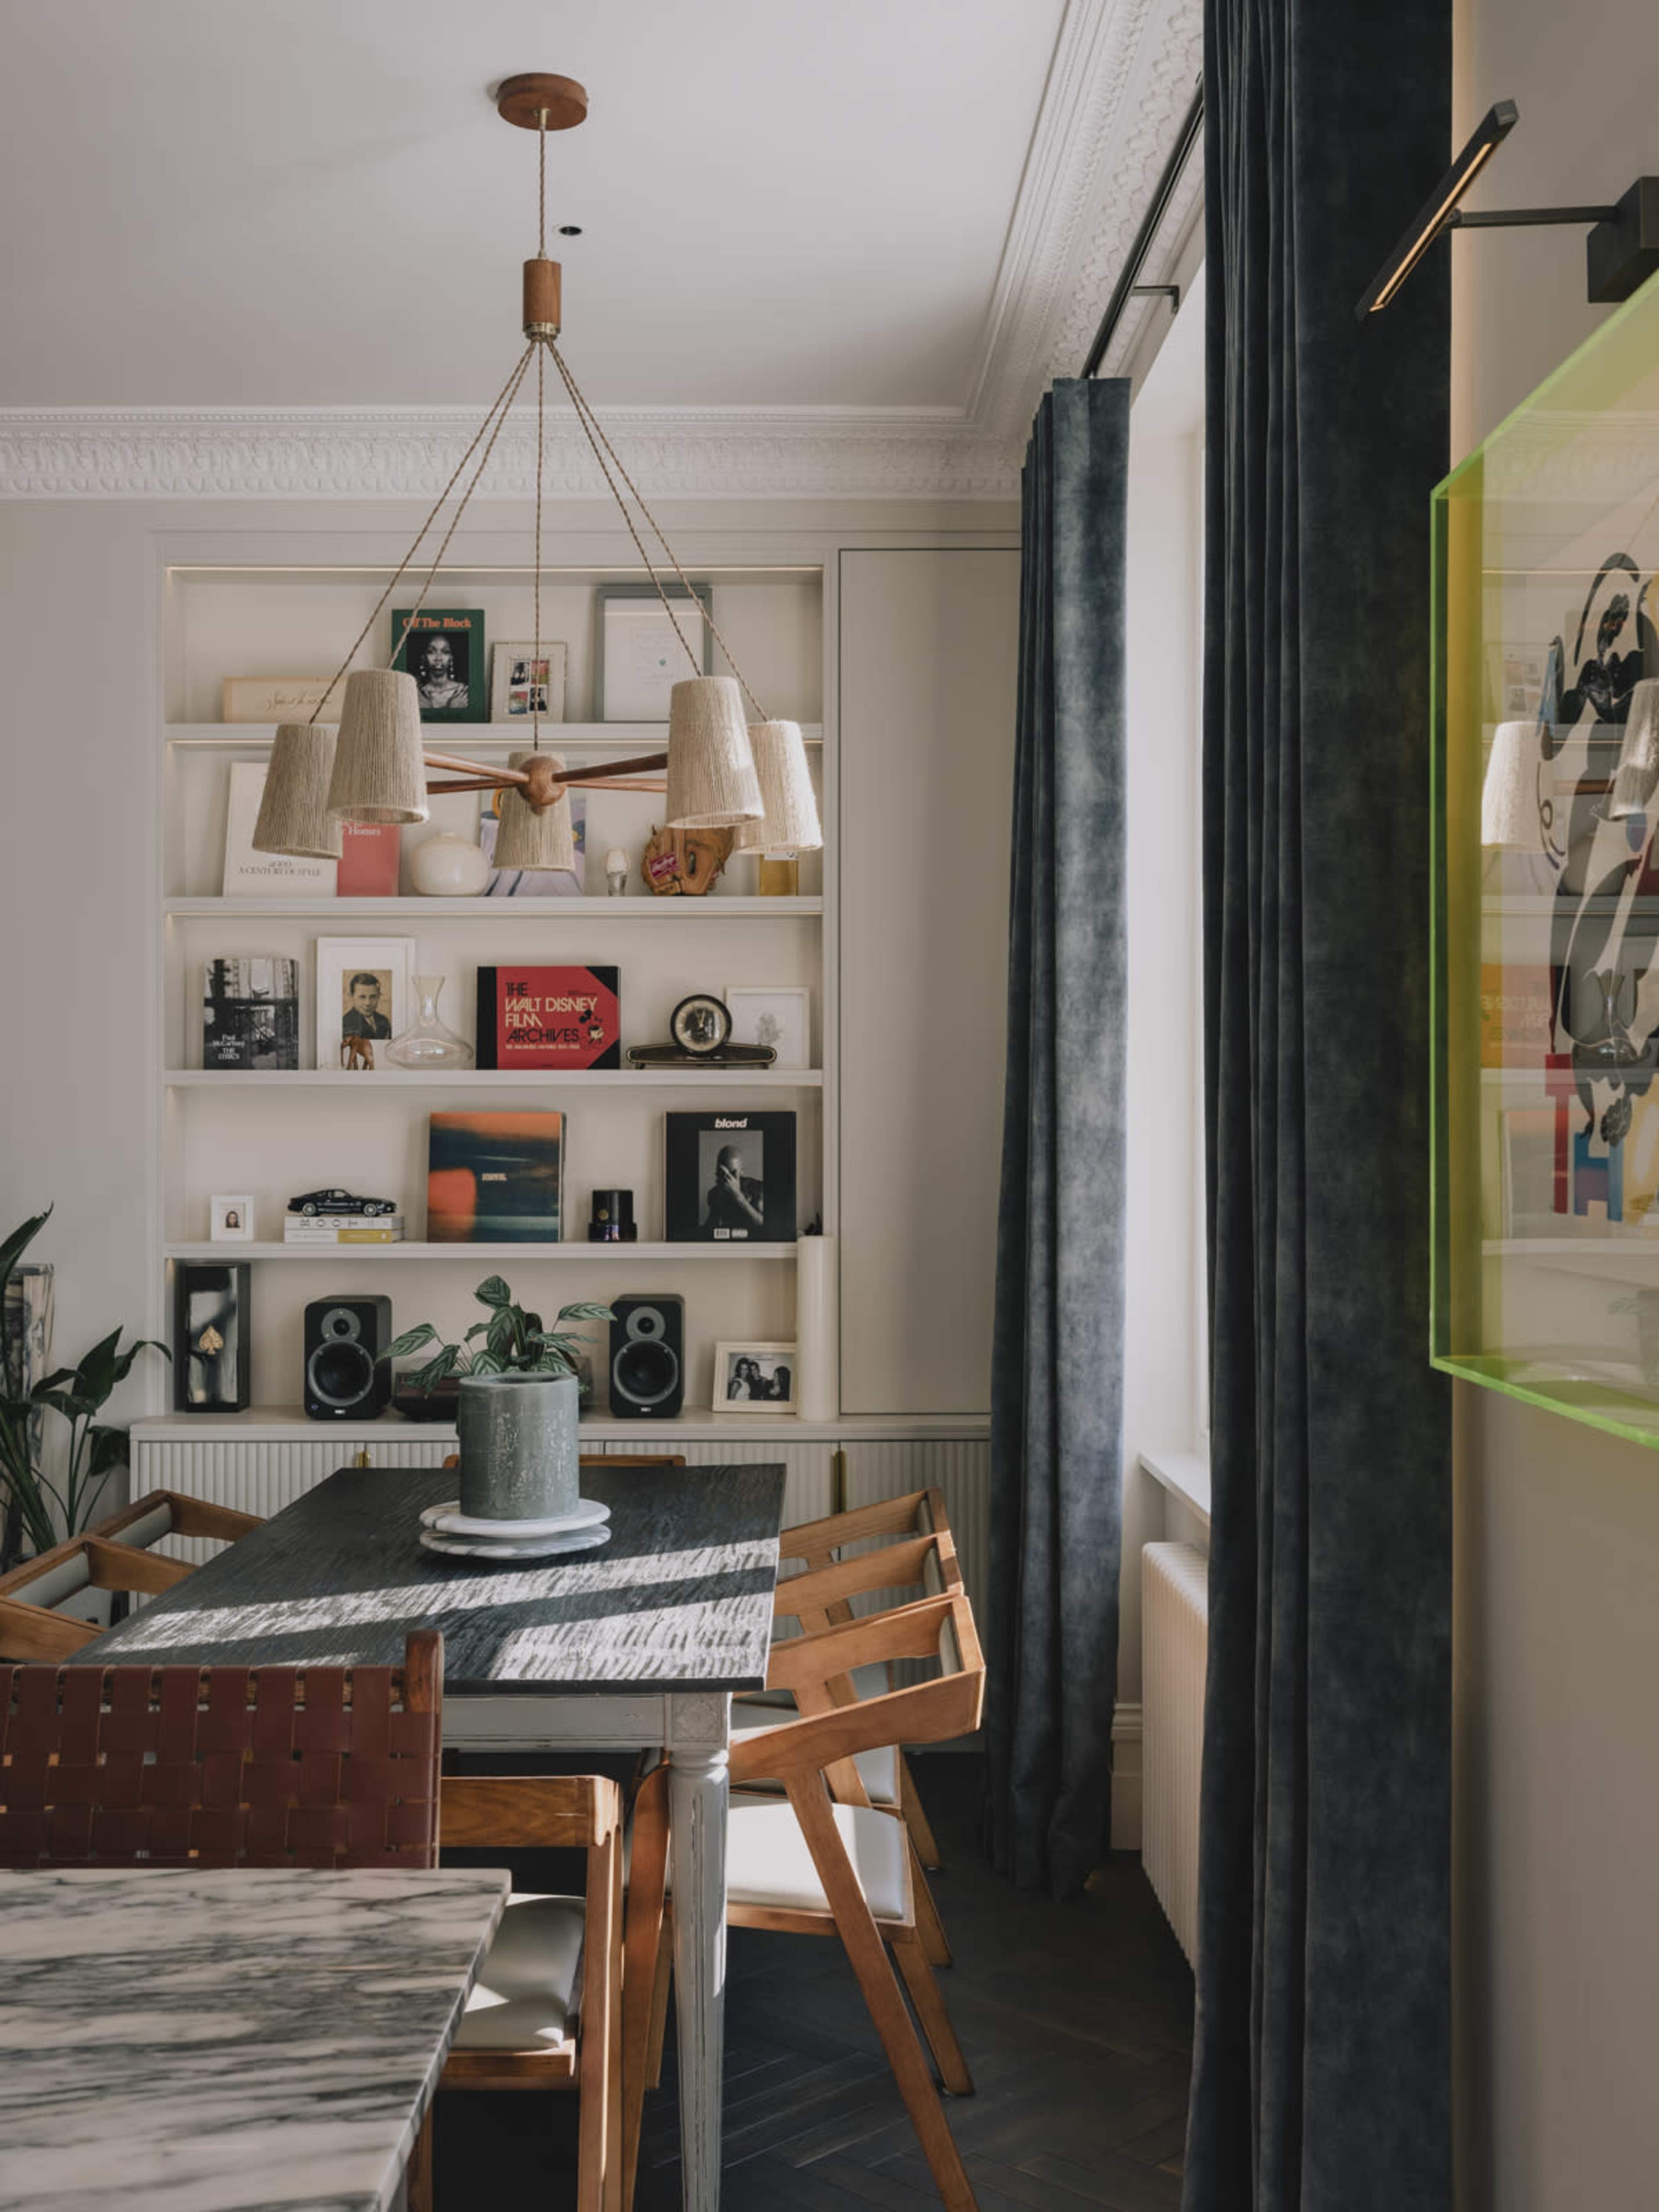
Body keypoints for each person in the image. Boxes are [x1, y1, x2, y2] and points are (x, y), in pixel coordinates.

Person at [703, 1144, 764, 1233]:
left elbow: (765, 1225)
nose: (727, 1178)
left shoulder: (759, 1189)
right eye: (722, 1172)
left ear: (742, 1171)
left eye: (733, 1173)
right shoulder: (714, 1193)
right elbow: (710, 1228)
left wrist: (738, 1196)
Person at [411, 630, 470, 712]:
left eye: (445, 652)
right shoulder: (416, 693)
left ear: (451, 658)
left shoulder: (464, 693)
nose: (439, 659)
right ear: (424, 657)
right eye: (431, 652)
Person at [342, 973, 391, 1042]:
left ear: (379, 996)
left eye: (373, 997)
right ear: (352, 996)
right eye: (362, 997)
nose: (368, 1003)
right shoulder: (344, 1023)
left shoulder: (384, 1021)